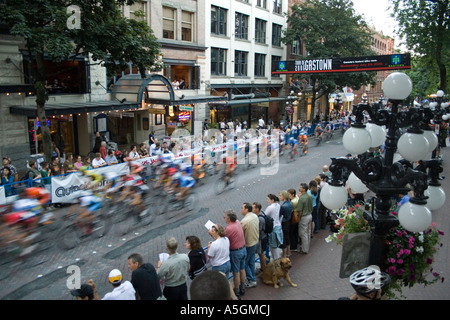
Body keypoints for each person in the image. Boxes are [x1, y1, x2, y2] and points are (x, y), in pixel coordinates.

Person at [223, 209, 247, 298]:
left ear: (229, 218)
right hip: (243, 249)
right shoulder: (237, 222)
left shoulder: (229, 228)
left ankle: (236, 290)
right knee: (242, 269)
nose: (224, 219)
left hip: (235, 252)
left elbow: (224, 239)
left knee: (236, 272)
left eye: (225, 217)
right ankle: (243, 287)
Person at [240, 202, 259, 288]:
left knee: (244, 263)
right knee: (251, 261)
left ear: (246, 209)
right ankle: (252, 278)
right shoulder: (255, 216)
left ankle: (251, 279)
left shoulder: (244, 221)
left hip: (248, 244)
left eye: (242, 208)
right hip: (255, 241)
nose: (241, 209)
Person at [265, 194, 282, 260]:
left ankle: (276, 261)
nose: (267, 201)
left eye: (268, 199)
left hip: (273, 227)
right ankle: (277, 259)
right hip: (278, 226)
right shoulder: (278, 205)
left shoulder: (270, 207)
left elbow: (265, 215)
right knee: (276, 246)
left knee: (273, 246)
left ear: (272, 200)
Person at [297, 183, 313, 254]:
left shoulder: (302, 198)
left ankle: (304, 249)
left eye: (300, 188)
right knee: (308, 232)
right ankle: (306, 246)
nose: (299, 188)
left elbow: (300, 210)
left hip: (304, 217)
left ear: (303, 189)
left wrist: (299, 217)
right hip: (309, 215)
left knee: (303, 233)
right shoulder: (309, 196)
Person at [252, 202, 267, 273]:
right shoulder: (262, 214)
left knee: (261, 254)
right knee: (261, 254)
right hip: (263, 237)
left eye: (253, 208)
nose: (251, 209)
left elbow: (258, 230)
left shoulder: (260, 219)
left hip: (261, 238)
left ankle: (263, 269)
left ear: (257, 209)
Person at [279, 190, 293, 257]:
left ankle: (284, 253)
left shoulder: (283, 206)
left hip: (284, 223)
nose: (279, 197)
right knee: (287, 237)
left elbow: (280, 215)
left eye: (280, 195)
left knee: (283, 238)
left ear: (284, 197)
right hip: (288, 221)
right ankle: (288, 251)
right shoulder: (290, 203)